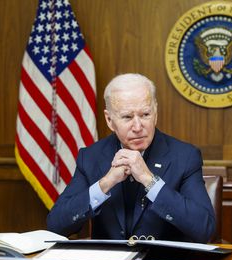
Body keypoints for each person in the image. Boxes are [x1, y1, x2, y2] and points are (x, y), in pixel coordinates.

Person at [47, 73, 215, 243]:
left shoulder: (184, 156)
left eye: (145, 115)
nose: (138, 127)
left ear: (155, 113)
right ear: (109, 120)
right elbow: (55, 226)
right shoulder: (90, 157)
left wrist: (149, 180)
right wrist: (106, 183)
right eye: (127, 117)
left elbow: (204, 228)